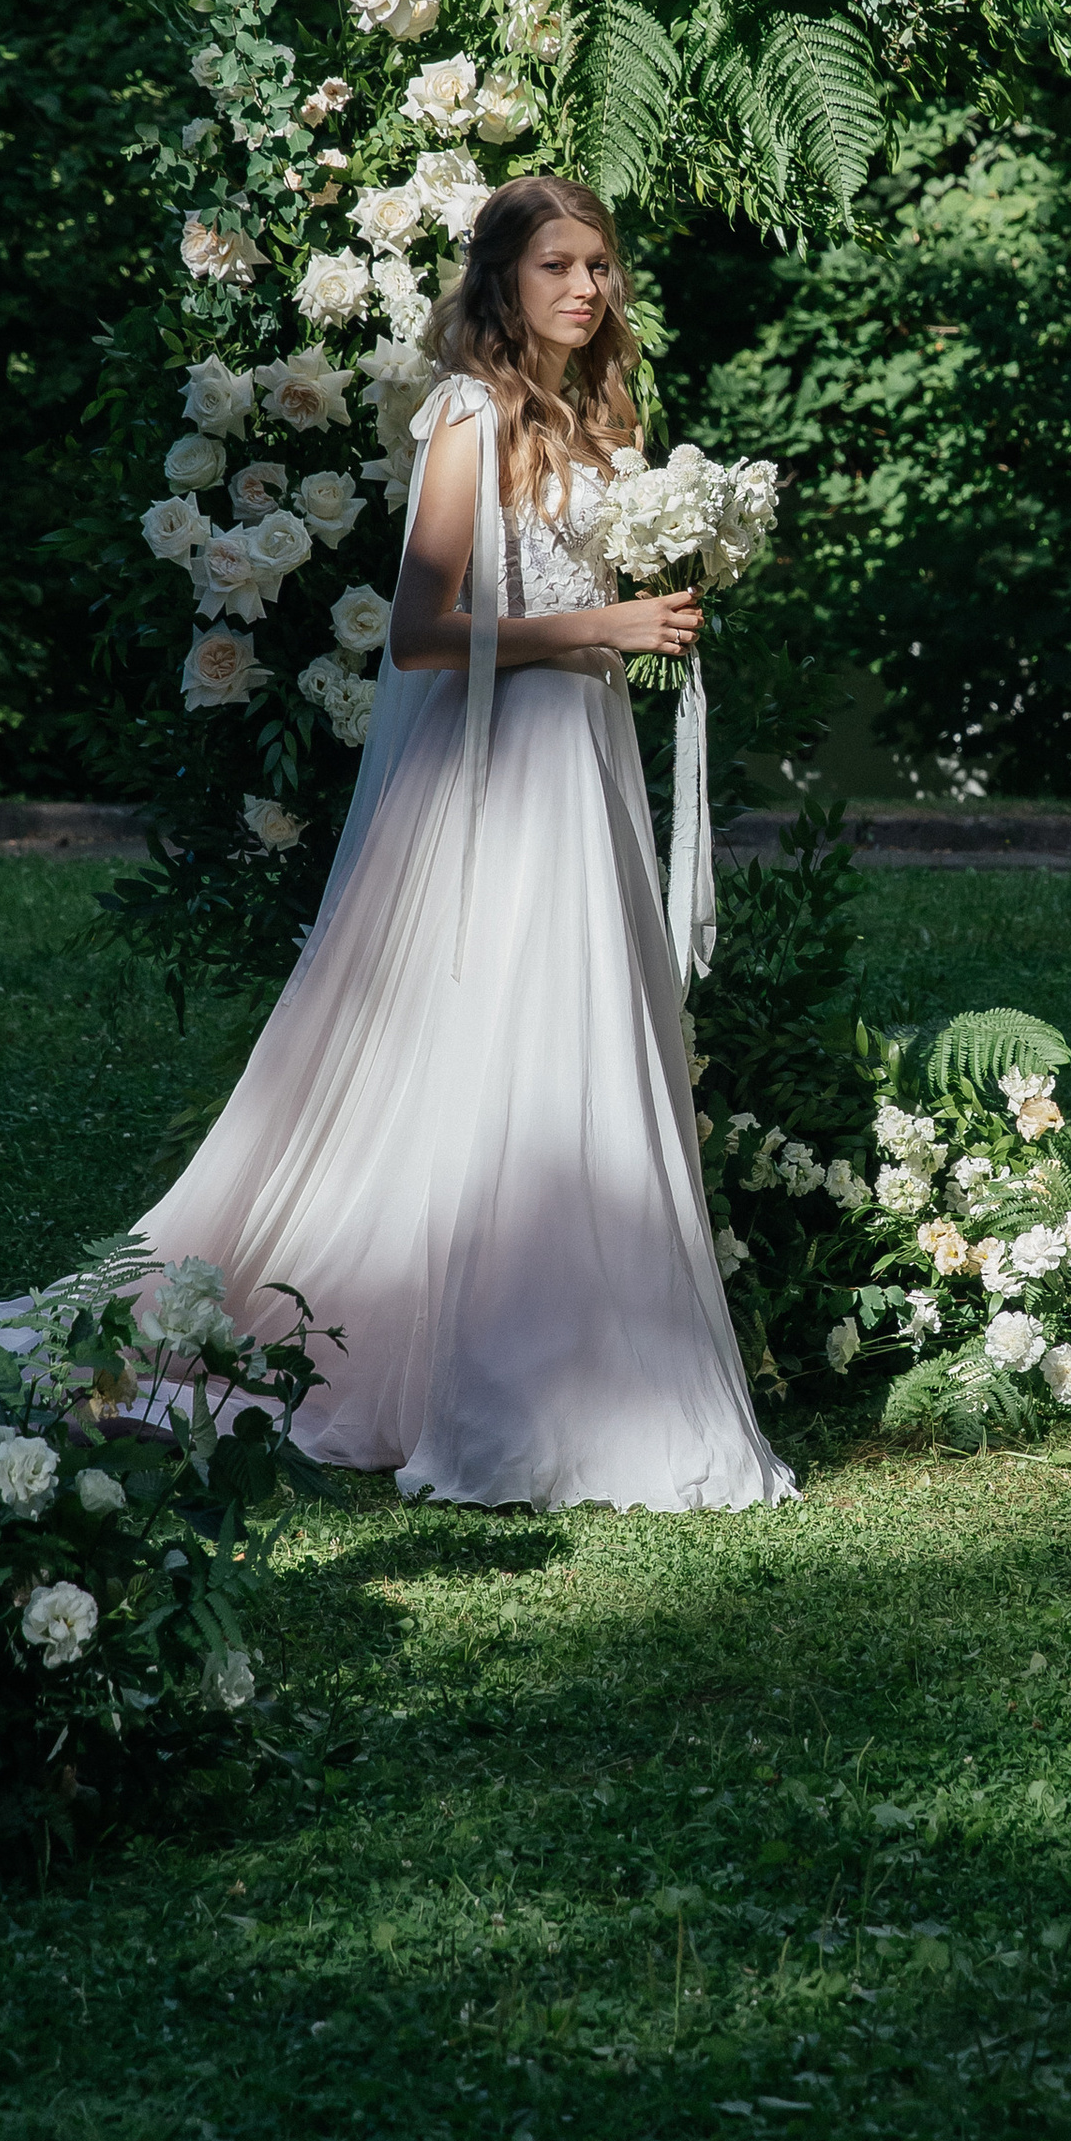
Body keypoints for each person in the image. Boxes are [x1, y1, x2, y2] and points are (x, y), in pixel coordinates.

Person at [139, 175, 795, 1514]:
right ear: (502, 283)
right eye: (560, 264)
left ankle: (600, 1364)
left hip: (581, 767)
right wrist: (598, 631)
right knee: (502, 1039)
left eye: (603, 265)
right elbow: (424, 631)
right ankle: (474, 1365)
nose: (588, 288)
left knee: (586, 1042)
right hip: (497, 778)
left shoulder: (602, 417)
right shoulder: (467, 415)